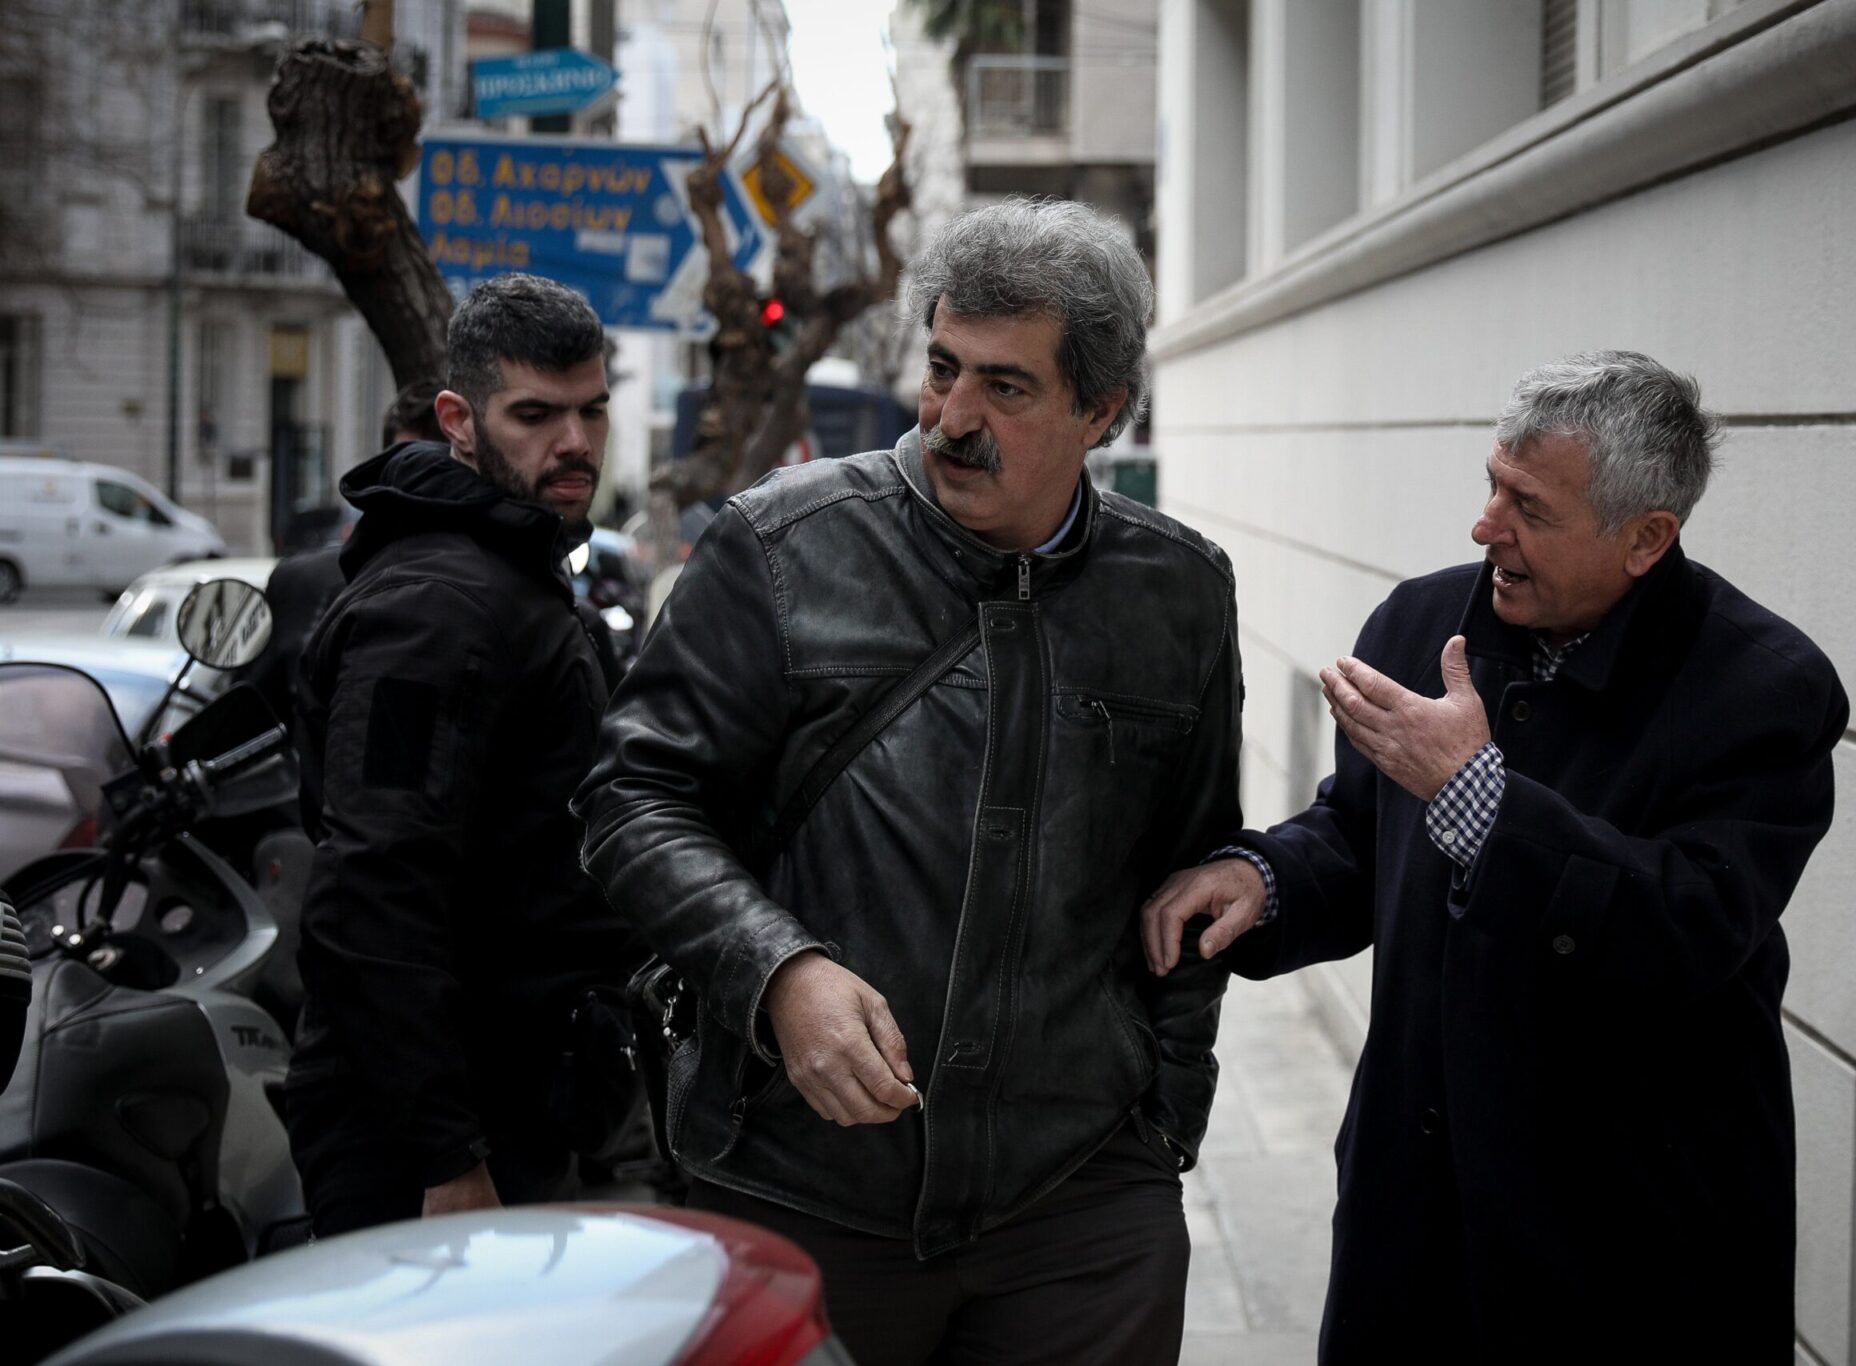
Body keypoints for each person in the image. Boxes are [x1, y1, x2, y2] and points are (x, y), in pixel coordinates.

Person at [576, 198, 1242, 1365]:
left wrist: (1163, 1125)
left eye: (1005, 386)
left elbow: (1194, 873)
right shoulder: (778, 547)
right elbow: (630, 803)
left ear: (1100, 411)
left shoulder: (1177, 591)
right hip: (797, 1182)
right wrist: (777, 972)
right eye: (941, 369)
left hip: (1078, 1205)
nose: (950, 417)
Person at [1142, 351, 1850, 1364]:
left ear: (1646, 539)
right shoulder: (1421, 625)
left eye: (1529, 508)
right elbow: (1359, 834)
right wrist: (1265, 878)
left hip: (1629, 1248)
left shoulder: (1763, 689)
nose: (1485, 527)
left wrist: (1480, 798)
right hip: (1415, 1220)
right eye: (1492, 485)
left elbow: (1688, 925)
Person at [287, 274, 641, 1236]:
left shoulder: (510, 574)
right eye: (534, 415)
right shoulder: (437, 611)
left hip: (507, 1099)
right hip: (426, 1136)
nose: (574, 442)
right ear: (458, 420)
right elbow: (370, 893)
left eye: (591, 411)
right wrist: (446, 1156)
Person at [241, 378, 446, 725]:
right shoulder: (305, 583)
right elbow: (250, 715)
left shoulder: (496, 587)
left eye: (436, 471)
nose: (418, 489)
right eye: (406, 465)